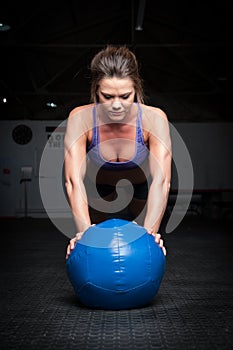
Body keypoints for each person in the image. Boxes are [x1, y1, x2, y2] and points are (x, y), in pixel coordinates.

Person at [64, 45, 171, 259]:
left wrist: (150, 234)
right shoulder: (80, 118)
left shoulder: (154, 119)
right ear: (96, 91)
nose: (116, 105)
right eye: (107, 96)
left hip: (139, 190)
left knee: (142, 247)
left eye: (125, 96)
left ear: (137, 89)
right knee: (96, 249)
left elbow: (161, 181)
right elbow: (73, 180)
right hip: (99, 192)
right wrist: (85, 233)